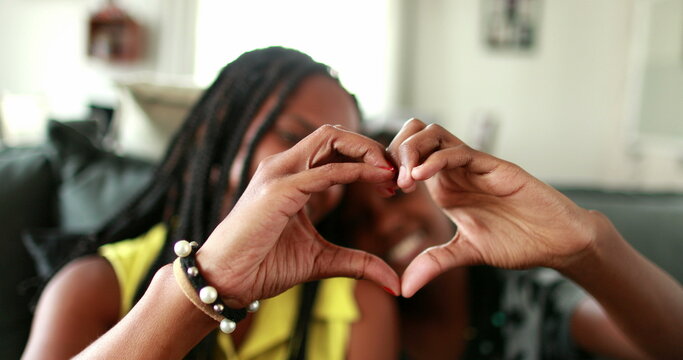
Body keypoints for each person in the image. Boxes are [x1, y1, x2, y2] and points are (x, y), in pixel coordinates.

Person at [21, 47, 401, 360]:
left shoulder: (357, 307)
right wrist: (207, 283)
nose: (323, 175)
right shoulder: (92, 286)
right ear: (216, 135)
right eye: (291, 135)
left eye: (342, 160)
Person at [341, 120, 683, 359]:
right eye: (359, 220)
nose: (386, 224)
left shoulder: (525, 293)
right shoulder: (357, 324)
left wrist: (588, 248)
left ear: (435, 187)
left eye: (398, 196)